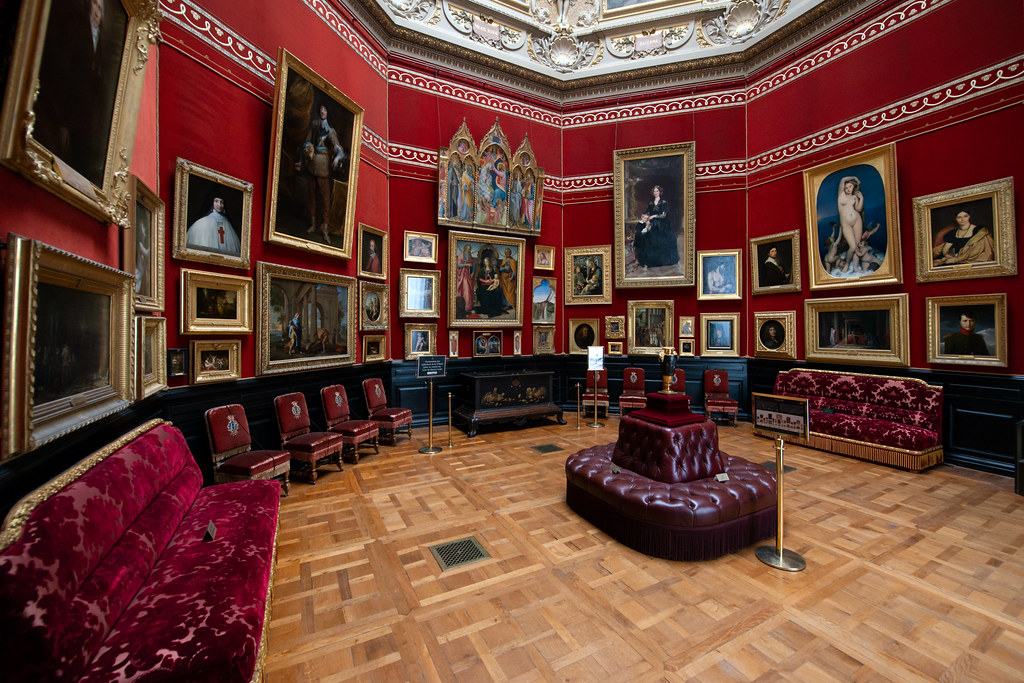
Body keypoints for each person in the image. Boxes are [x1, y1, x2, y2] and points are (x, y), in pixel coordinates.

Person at [34, 0, 126, 187]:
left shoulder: (108, 34)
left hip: (80, 126)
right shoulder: (70, 16)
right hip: (52, 114)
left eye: (100, 9)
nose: (97, 14)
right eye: (95, 7)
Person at [295, 102, 346, 244]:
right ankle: (313, 224)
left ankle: (325, 228)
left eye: (325, 109)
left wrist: (337, 157)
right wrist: (309, 148)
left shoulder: (331, 131)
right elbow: (306, 141)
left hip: (323, 166)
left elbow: (339, 150)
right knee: (311, 195)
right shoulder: (315, 126)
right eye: (321, 109)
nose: (323, 111)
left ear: (328, 113)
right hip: (312, 164)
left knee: (325, 199)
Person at [632, 185, 679, 272]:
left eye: (657, 191)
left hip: (661, 223)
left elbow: (664, 214)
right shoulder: (651, 203)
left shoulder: (664, 202)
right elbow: (648, 212)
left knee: (658, 236)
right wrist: (645, 217)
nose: (655, 193)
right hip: (652, 222)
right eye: (654, 191)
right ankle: (645, 259)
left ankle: (660, 261)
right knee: (642, 232)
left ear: (660, 192)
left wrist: (654, 216)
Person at [836, 176, 865, 273]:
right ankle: (847, 264)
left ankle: (855, 267)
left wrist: (861, 199)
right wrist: (855, 177)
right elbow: (842, 179)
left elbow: (859, 209)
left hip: (857, 220)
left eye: (850, 186)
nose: (848, 189)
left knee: (856, 246)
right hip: (846, 223)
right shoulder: (841, 195)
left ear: (853, 187)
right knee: (852, 247)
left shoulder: (854, 197)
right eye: (846, 187)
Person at [455, 244, 475, 314]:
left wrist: (473, 272)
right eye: (468, 249)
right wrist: (466, 265)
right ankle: (465, 307)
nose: (469, 250)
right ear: (465, 249)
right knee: (466, 290)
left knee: (469, 290)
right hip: (463, 275)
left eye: (470, 249)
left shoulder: (470, 256)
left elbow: (473, 265)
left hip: (469, 275)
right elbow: (459, 265)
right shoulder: (461, 255)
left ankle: (469, 306)